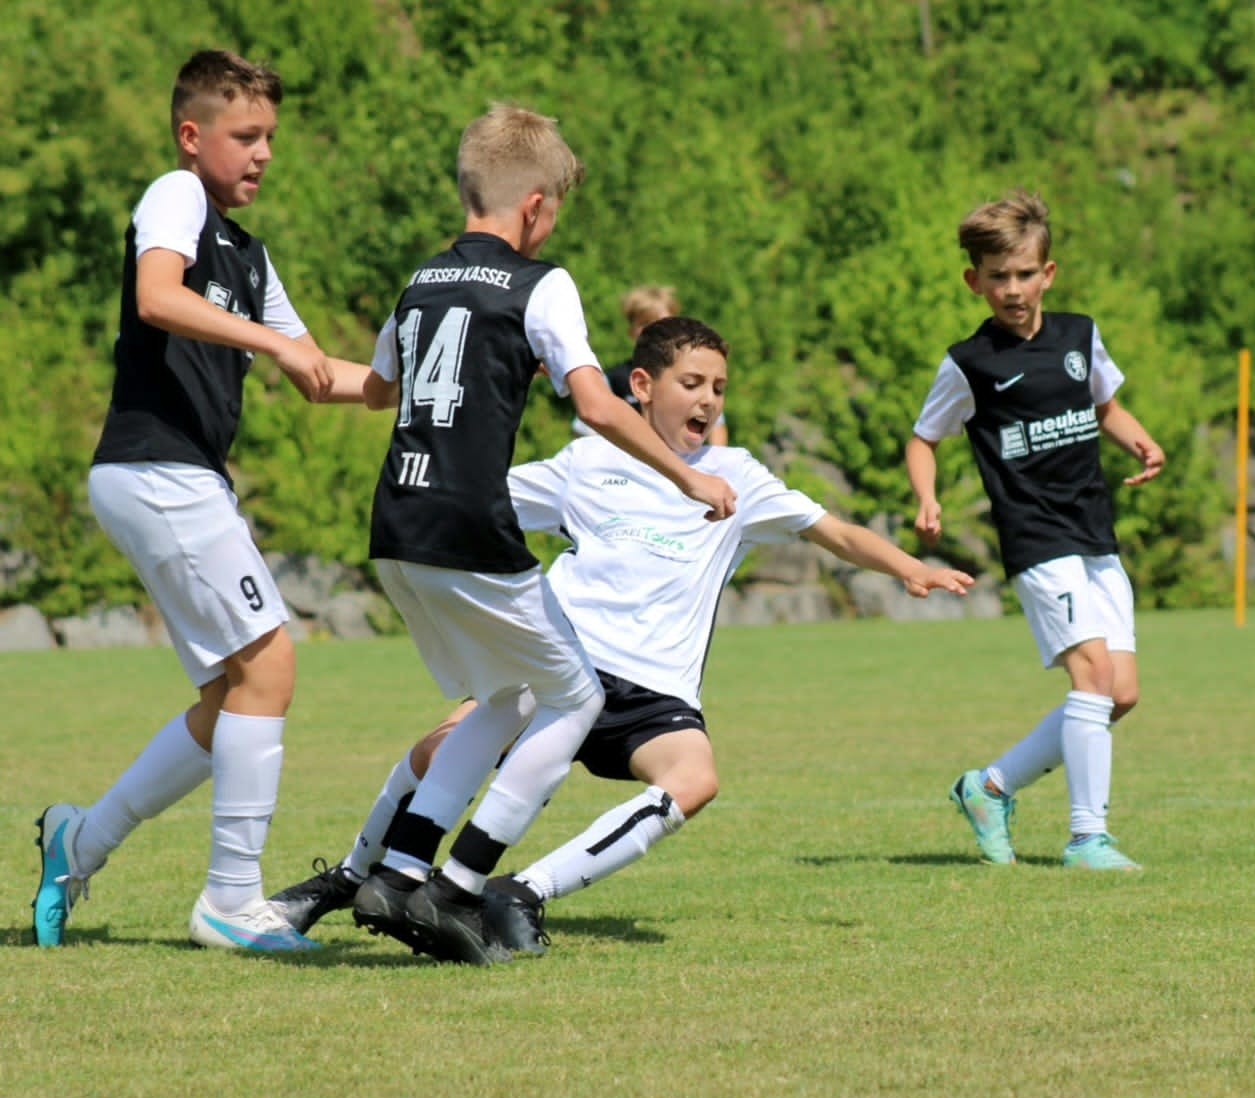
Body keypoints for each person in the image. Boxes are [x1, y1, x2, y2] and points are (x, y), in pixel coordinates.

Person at [269, 316, 973, 955]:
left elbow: (835, 532)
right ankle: (350, 878)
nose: (708, 400)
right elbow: (485, 501)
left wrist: (911, 569)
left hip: (652, 688)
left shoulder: (737, 476)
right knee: (440, 748)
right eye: (691, 383)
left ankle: (523, 890)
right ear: (641, 386)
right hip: (561, 664)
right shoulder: (588, 464)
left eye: (719, 388)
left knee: (694, 780)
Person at [347, 105, 737, 966]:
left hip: (397, 526)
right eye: (555, 207)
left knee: (505, 699)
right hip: (468, 527)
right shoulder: (541, 284)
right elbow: (596, 404)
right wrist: (690, 477)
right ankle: (459, 886)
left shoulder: (421, 280)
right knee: (574, 697)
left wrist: (290, 359)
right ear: (533, 206)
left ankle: (399, 870)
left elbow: (375, 390)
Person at [29, 49, 380, 954]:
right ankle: (230, 900)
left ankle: (80, 841)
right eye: (246, 135)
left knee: (233, 698)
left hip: (172, 478)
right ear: (193, 136)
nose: (264, 154)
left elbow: (322, 373)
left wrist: (420, 380)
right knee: (271, 668)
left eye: (271, 138)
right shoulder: (176, 194)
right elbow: (156, 297)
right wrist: (271, 340)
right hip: (159, 469)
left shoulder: (249, 256)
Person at [904, 189, 1165, 871]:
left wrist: (1141, 442)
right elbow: (923, 438)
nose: (1012, 289)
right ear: (974, 281)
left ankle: (988, 788)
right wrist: (926, 498)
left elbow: (1105, 405)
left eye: (1024, 274)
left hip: (1093, 531)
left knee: (1120, 692)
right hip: (1036, 536)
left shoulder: (1080, 336)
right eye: (998, 277)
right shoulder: (970, 363)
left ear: (1047, 274)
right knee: (1091, 676)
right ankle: (1087, 838)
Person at [591, 285, 727, 445]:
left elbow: (717, 428)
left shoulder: (697, 373)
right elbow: (591, 427)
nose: (655, 331)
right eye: (645, 323)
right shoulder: (614, 379)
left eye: (663, 323)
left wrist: (716, 458)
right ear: (631, 331)